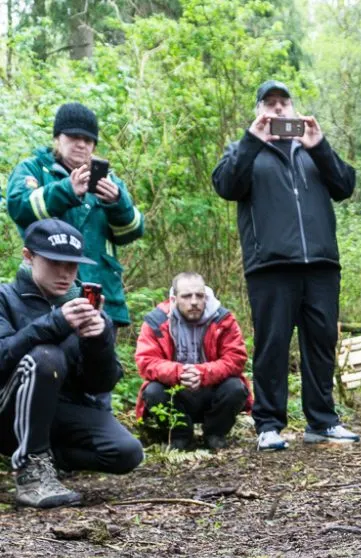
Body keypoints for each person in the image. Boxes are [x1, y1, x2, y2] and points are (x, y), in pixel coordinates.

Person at [212, 80, 359, 451]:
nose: (278, 110)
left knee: (321, 343)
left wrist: (320, 145)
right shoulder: (245, 150)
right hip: (270, 266)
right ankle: (268, 424)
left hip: (321, 263)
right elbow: (226, 185)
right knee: (273, 345)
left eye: (283, 103)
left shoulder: (312, 148)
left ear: (294, 109)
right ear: (259, 111)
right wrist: (252, 141)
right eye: (269, 103)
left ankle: (322, 422)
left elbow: (345, 186)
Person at [0, 219, 144, 508]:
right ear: (28, 257)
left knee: (126, 452)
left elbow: (100, 383)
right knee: (45, 357)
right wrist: (56, 322)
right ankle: (31, 474)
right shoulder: (5, 297)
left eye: (72, 265)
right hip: (7, 412)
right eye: (55, 263)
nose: (65, 273)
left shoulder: (82, 307)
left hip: (59, 411)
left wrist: (98, 339)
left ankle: (46, 460)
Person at [7, 102, 145, 329]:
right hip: (47, 290)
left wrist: (116, 203)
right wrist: (67, 190)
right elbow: (19, 207)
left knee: (97, 359)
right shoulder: (33, 169)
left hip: (99, 288)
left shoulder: (108, 180)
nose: (81, 144)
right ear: (57, 138)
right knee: (47, 357)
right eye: (73, 137)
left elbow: (133, 231)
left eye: (88, 140)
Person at [135, 272, 252, 451]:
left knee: (235, 387)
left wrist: (203, 374)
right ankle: (179, 436)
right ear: (174, 299)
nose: (194, 301)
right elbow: (146, 361)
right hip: (176, 393)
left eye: (199, 295)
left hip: (212, 391)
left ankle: (215, 434)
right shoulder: (156, 321)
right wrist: (178, 373)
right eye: (187, 296)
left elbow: (236, 358)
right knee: (153, 391)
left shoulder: (223, 319)